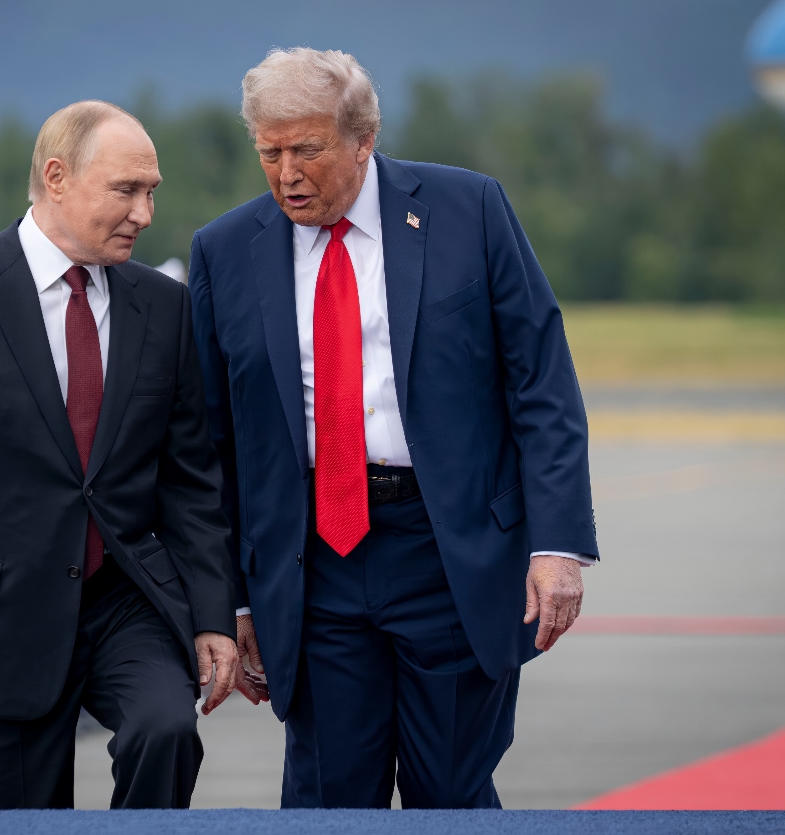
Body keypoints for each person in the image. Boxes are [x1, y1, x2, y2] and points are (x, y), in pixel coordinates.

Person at [188, 48, 599, 809]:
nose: (286, 174)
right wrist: (233, 600)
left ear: (363, 137)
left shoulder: (469, 210)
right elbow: (212, 446)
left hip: (446, 549)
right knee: (329, 798)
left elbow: (541, 383)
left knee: (450, 792)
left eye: (306, 149)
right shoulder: (224, 251)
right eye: (269, 152)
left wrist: (556, 546)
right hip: (313, 563)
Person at [0, 100, 251, 810]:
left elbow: (192, 483)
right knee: (17, 816)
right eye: (127, 190)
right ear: (57, 177)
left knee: (166, 730)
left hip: (125, 598)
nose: (146, 213)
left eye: (152, 191)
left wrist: (214, 614)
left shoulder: (163, 306)